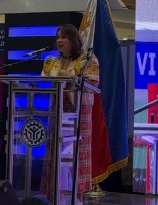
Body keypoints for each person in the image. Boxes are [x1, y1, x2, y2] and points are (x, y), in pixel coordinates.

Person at [40, 24, 100, 202]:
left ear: (73, 40)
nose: (59, 40)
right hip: (58, 112)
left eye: (63, 37)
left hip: (79, 114)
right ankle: (55, 198)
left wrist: (70, 78)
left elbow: (93, 84)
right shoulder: (53, 61)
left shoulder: (88, 59)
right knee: (56, 156)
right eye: (58, 37)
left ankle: (76, 199)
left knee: (75, 159)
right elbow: (45, 78)